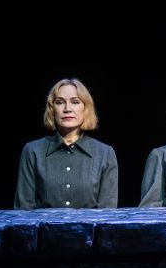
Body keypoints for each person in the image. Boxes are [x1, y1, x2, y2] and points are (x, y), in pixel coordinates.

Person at [15, 78, 118, 209]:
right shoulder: (33, 151)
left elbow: (107, 213)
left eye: (75, 102)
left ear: (85, 108)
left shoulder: (105, 153)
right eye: (60, 102)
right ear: (52, 109)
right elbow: (24, 209)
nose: (67, 109)